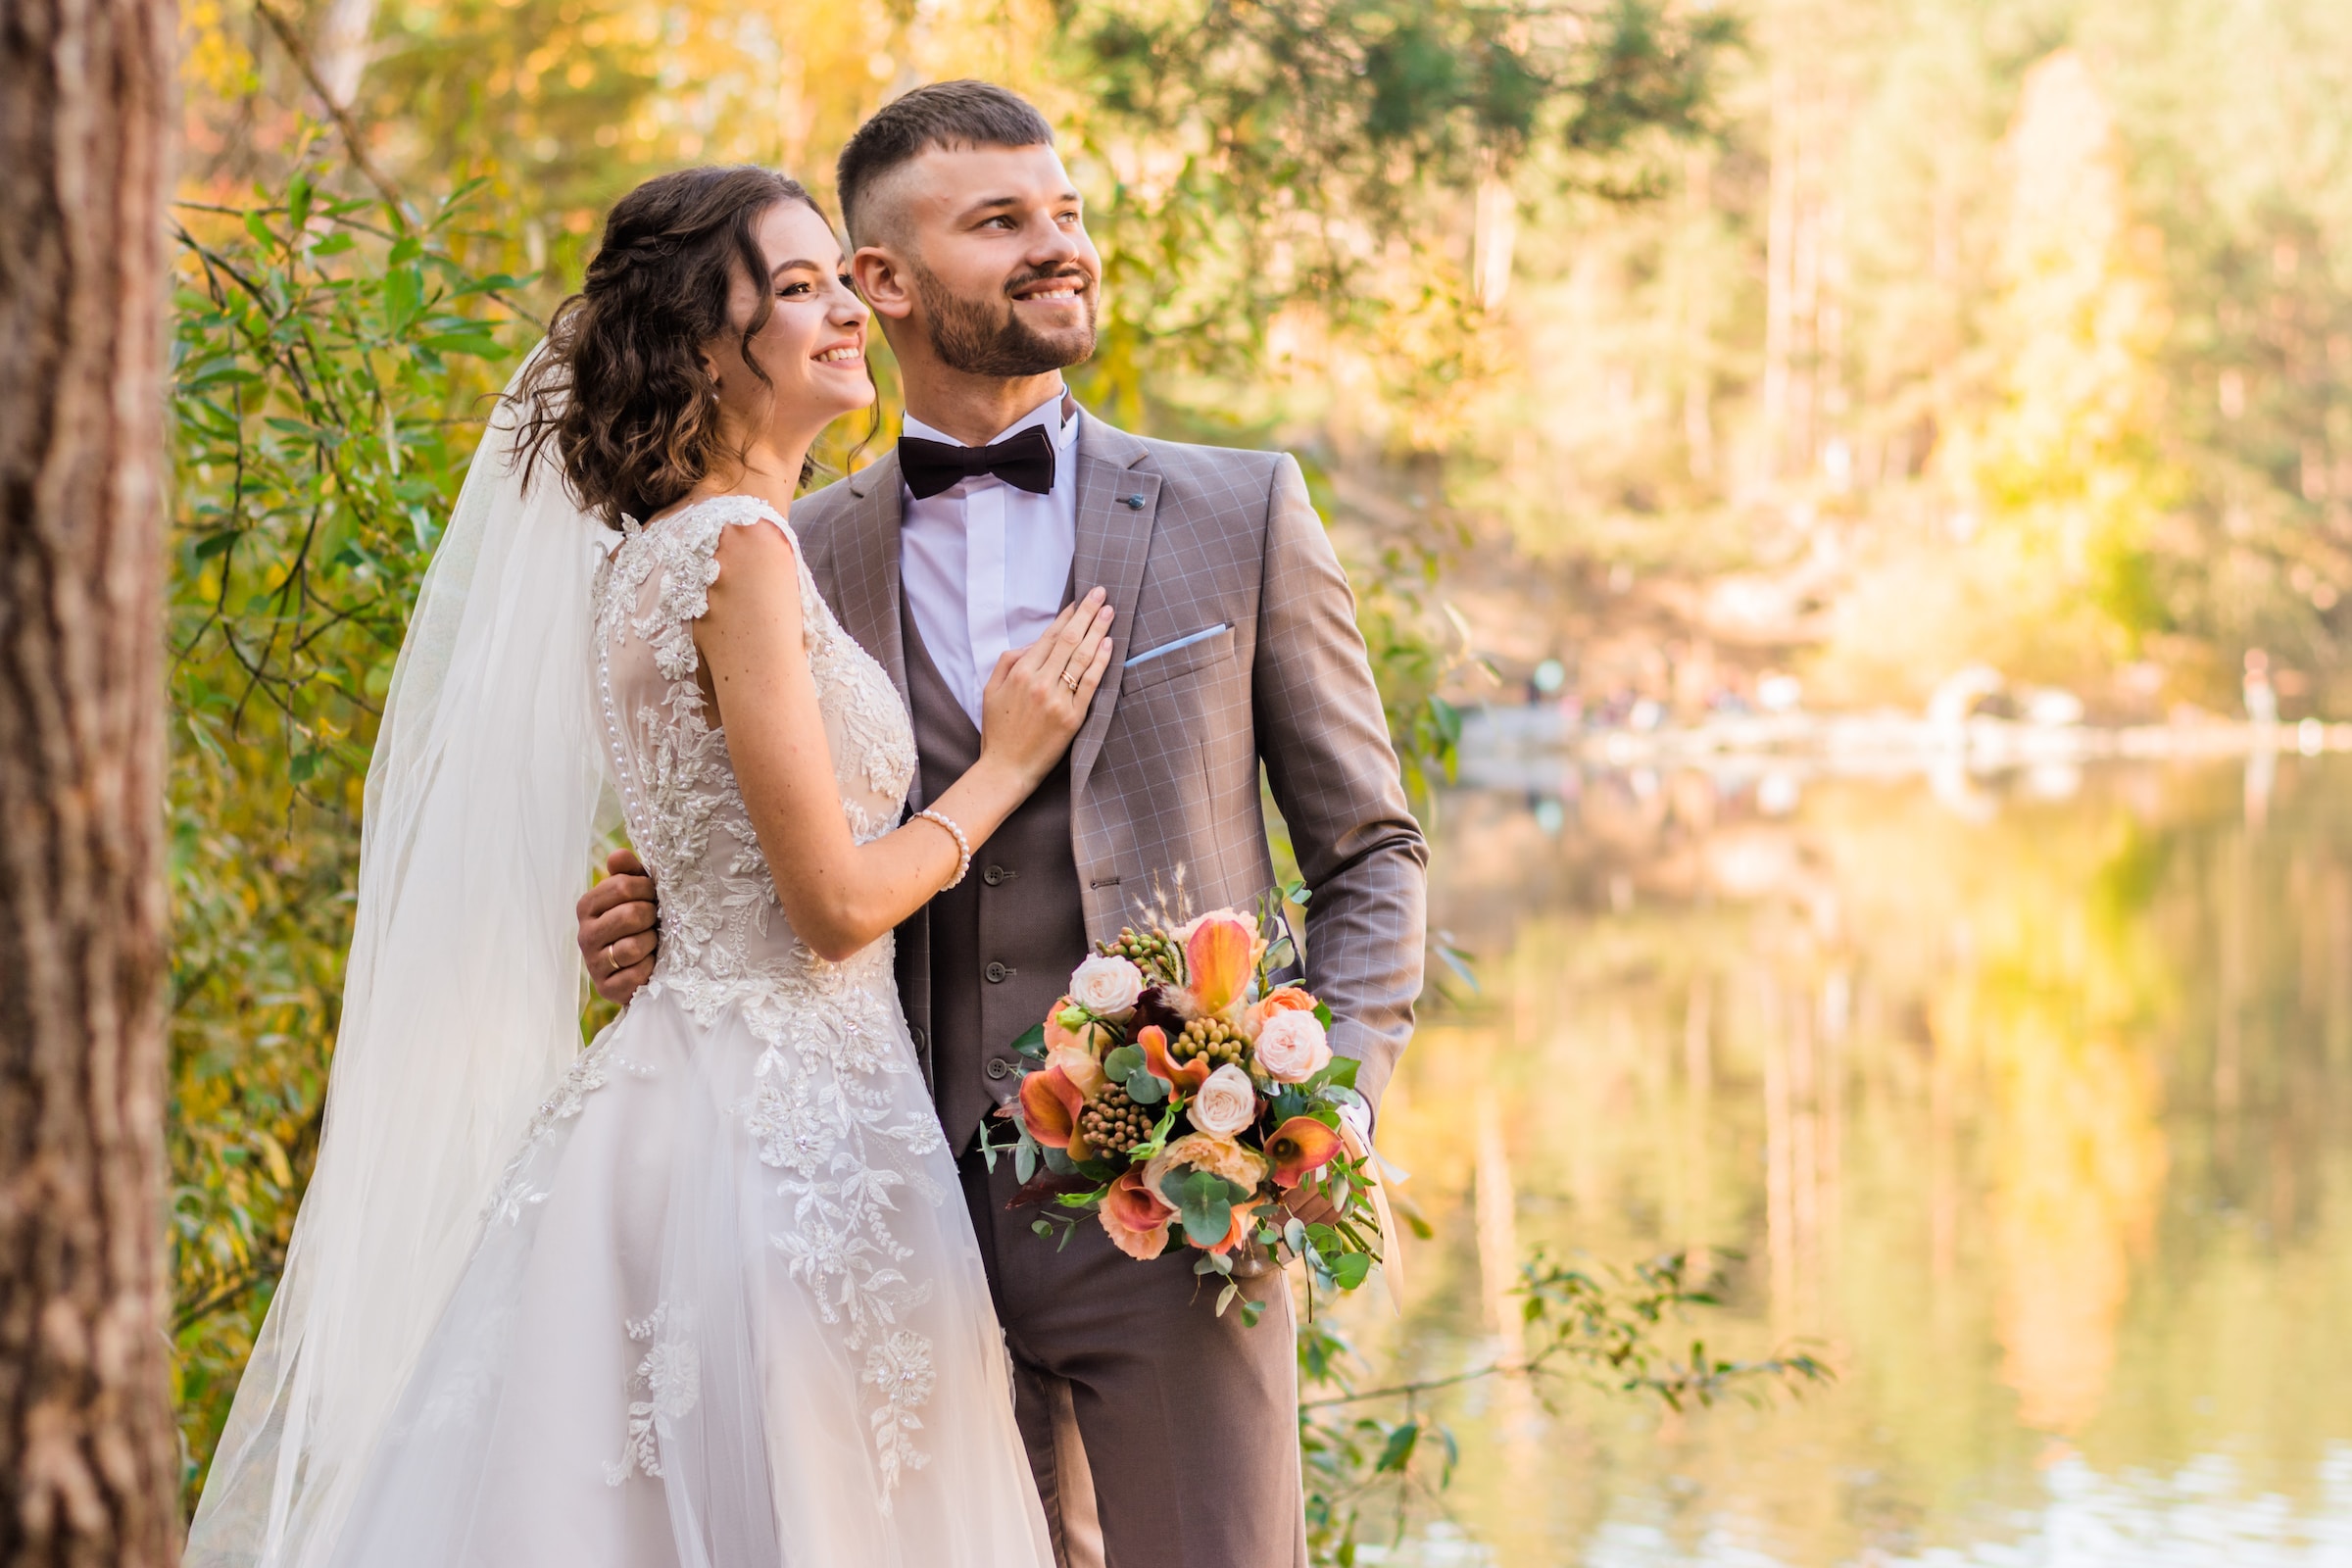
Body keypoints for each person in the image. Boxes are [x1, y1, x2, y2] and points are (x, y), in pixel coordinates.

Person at [186, 166, 1106, 1567]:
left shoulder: (656, 558)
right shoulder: (738, 550)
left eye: (836, 278)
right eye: (794, 290)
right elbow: (830, 907)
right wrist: (1006, 762)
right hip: (785, 1132)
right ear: (698, 344)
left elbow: (715, 846)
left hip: (704, 1093)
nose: (844, 311)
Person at [578, 82, 1428, 1568]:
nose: (1058, 247)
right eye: (1001, 222)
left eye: (1067, 214)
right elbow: (762, 828)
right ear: (883, 283)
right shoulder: (785, 540)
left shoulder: (1243, 513)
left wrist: (1326, 1108)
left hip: (1174, 1213)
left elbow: (1371, 853)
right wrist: (655, 912)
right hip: (874, 1212)